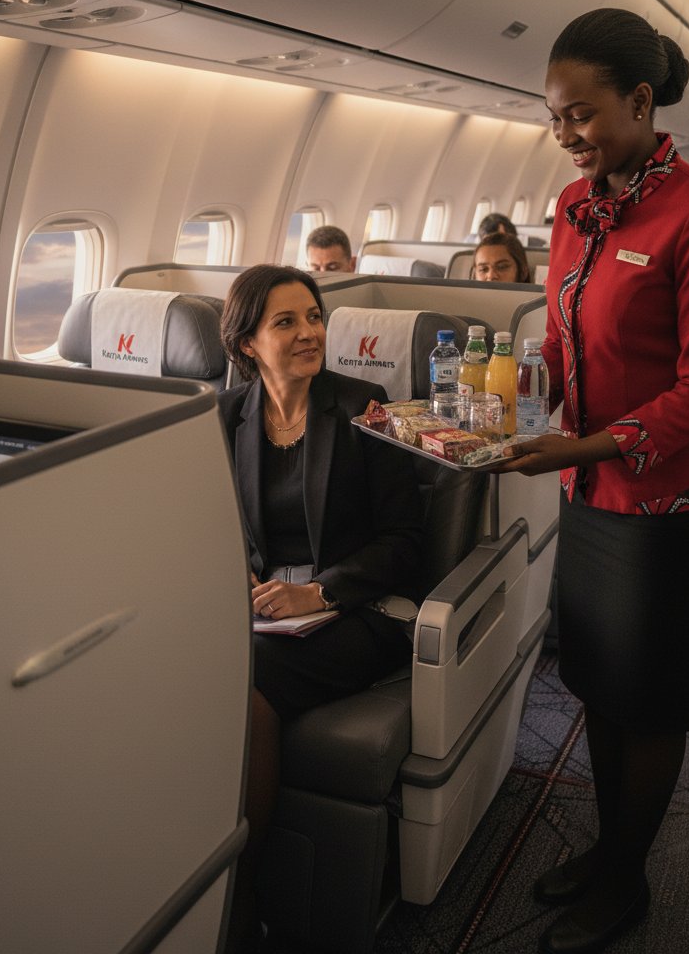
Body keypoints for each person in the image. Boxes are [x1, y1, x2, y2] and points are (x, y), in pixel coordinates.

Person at [494, 8, 689, 954]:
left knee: (651, 698)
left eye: (581, 115)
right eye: (553, 118)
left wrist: (583, 447)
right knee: (601, 681)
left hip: (674, 502)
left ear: (641, 102)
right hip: (594, 493)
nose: (564, 136)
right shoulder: (572, 209)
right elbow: (562, 339)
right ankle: (609, 851)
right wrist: (518, 408)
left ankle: (631, 876)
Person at [217, 264, 423, 951]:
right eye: (286, 322)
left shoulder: (366, 404)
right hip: (265, 609)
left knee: (251, 684)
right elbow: (220, 529)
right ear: (247, 344)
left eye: (313, 315)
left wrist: (322, 590)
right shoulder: (227, 416)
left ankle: (240, 892)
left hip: (364, 610)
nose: (309, 332)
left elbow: (405, 544)